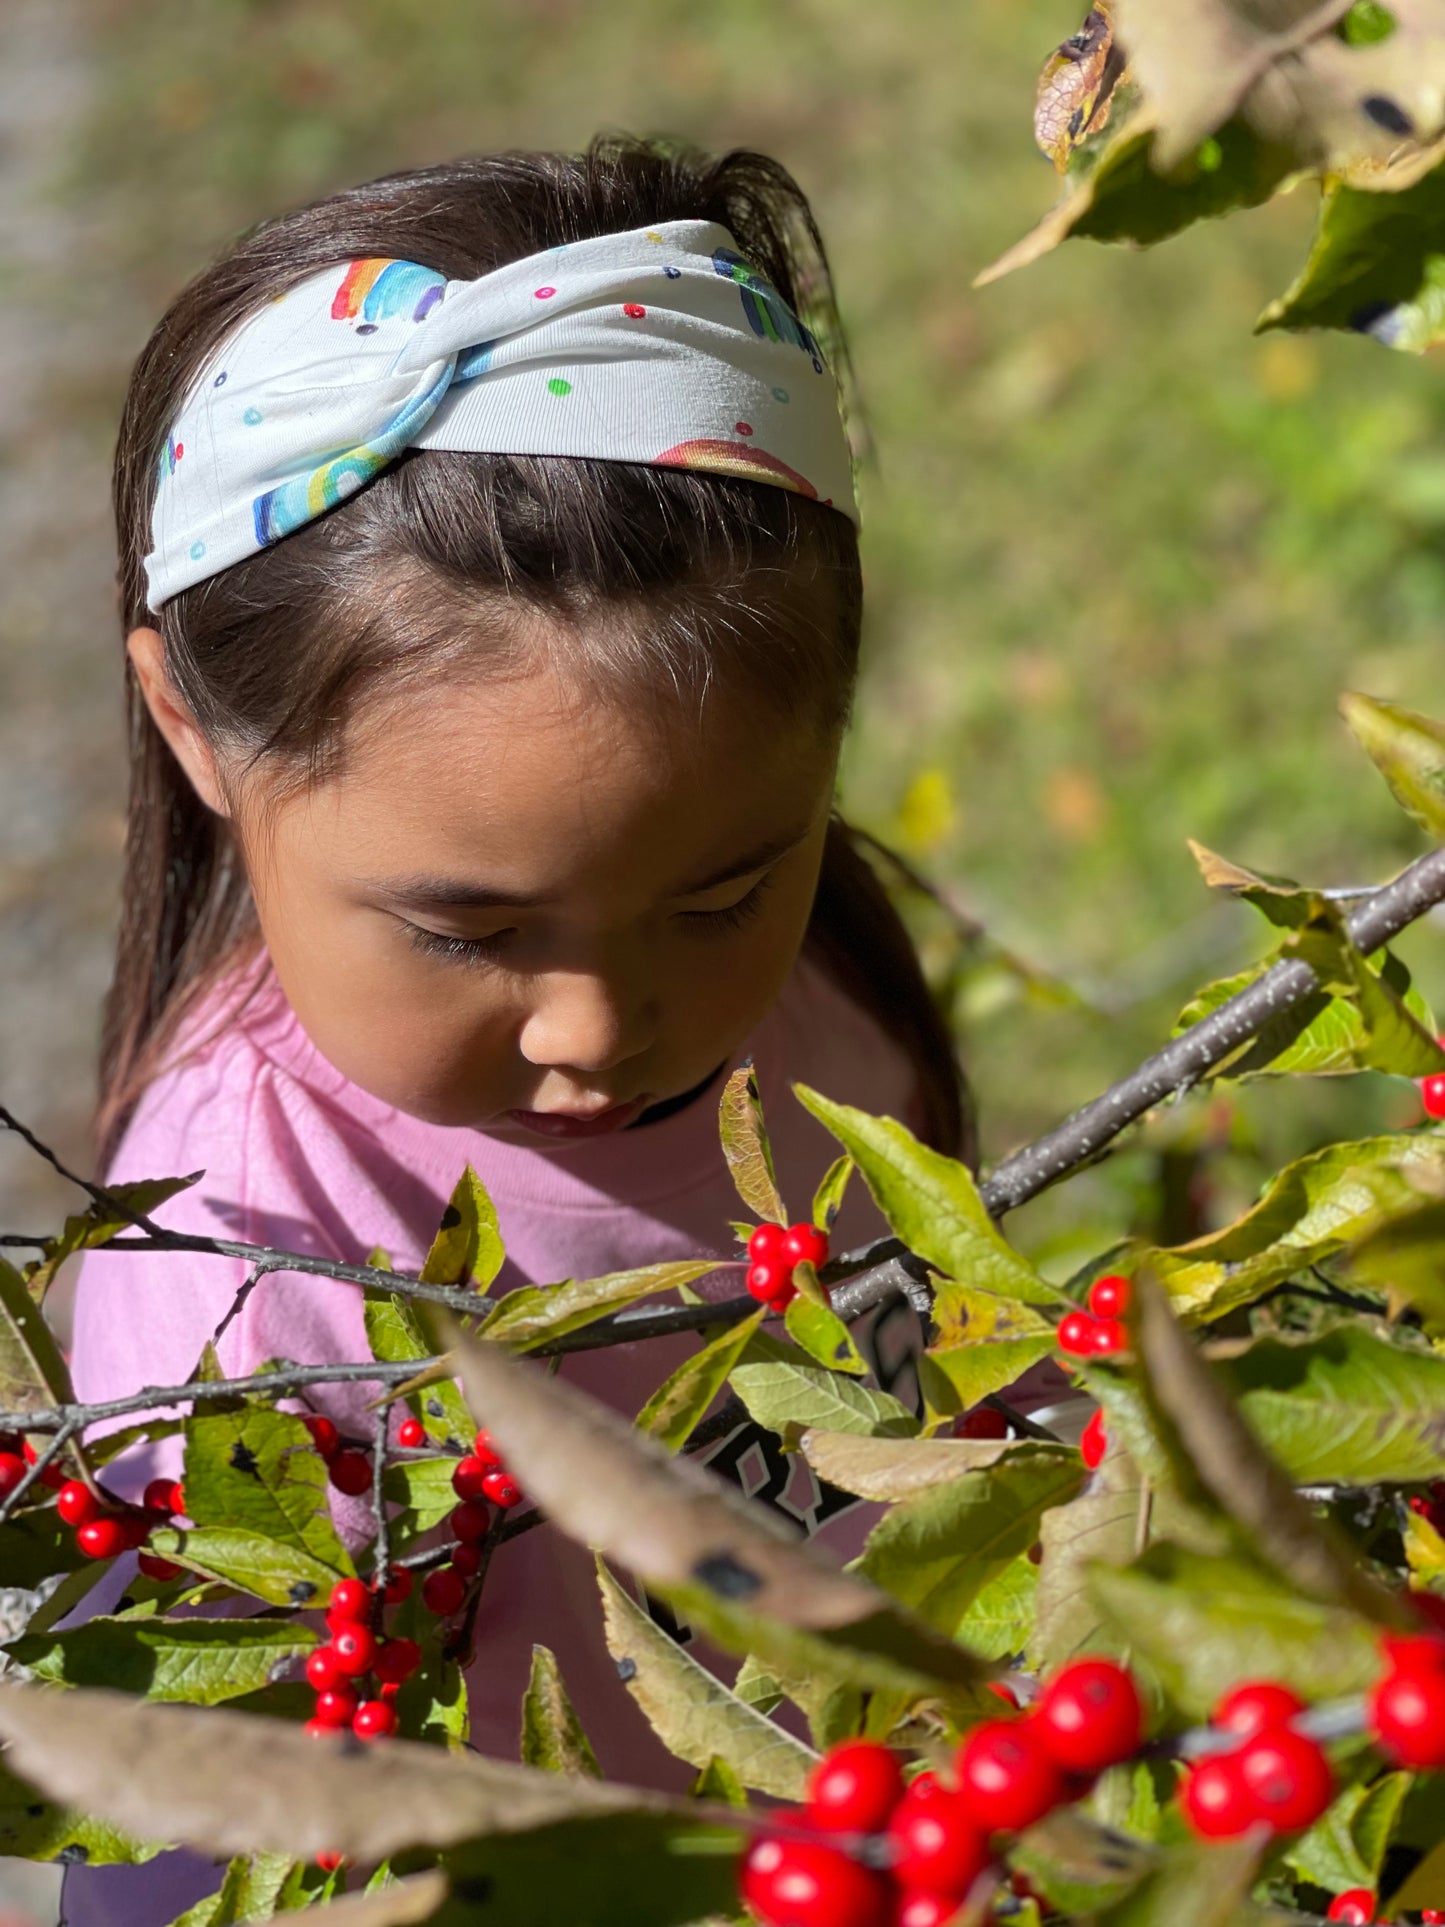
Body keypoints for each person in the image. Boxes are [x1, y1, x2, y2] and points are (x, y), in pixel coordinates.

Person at [61, 134, 983, 1921]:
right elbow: (168, 1833)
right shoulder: (241, 1269)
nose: (601, 1021)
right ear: (195, 731)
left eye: (716, 895)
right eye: (466, 930)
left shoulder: (827, 998)